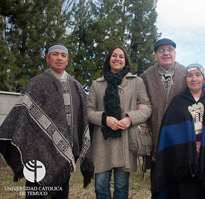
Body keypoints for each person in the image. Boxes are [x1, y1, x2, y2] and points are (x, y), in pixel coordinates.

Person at [0, 44, 94, 198]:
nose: (59, 58)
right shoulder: (36, 84)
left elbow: (84, 118)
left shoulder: (76, 87)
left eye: (63, 55)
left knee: (60, 193)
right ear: (48, 58)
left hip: (65, 153)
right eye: (55, 54)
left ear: (67, 60)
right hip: (37, 151)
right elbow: (21, 116)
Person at [152, 63, 205, 199]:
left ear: (204, 78)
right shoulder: (178, 101)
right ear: (185, 80)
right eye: (190, 76)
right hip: (183, 158)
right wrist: (189, 146)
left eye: (198, 75)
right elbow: (170, 131)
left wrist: (203, 145)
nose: (194, 79)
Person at [140, 38, 205, 160]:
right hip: (156, 132)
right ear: (155, 55)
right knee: (159, 171)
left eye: (169, 49)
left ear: (174, 53)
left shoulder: (186, 73)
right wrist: (139, 105)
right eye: (161, 50)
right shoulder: (146, 76)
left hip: (183, 135)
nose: (166, 53)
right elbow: (138, 97)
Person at [86, 45, 151, 199]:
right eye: (114, 55)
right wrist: (104, 119)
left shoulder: (136, 82)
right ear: (109, 60)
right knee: (101, 186)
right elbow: (88, 111)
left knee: (122, 187)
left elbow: (148, 109)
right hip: (103, 141)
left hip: (126, 140)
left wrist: (130, 118)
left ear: (125, 61)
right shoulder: (97, 84)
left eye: (121, 56)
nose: (117, 58)